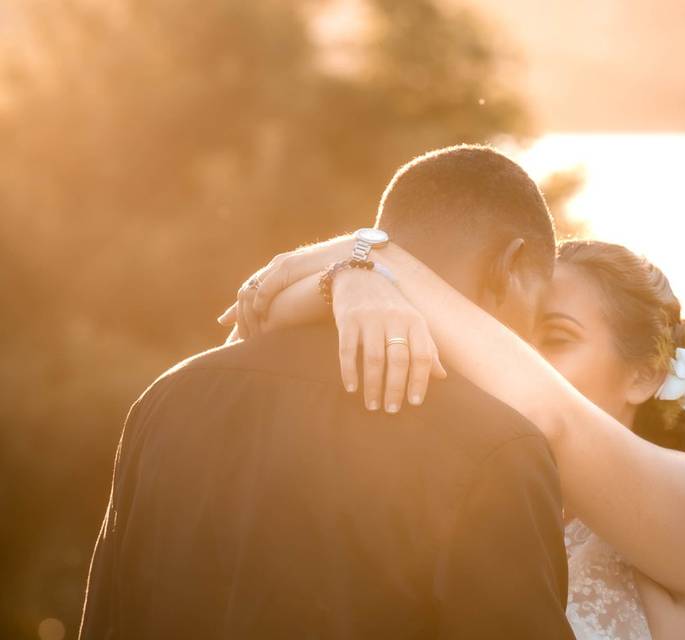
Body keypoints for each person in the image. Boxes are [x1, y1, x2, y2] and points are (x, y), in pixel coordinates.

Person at [79, 145, 575, 639]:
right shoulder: (499, 449)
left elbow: (108, 619)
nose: (529, 345)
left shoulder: (167, 397)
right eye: (539, 315)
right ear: (510, 265)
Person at [223, 206, 685, 639]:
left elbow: (549, 414)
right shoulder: (474, 494)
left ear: (645, 373)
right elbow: (256, 328)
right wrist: (355, 283)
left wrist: (376, 255)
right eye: (506, 337)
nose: (512, 360)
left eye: (556, 338)